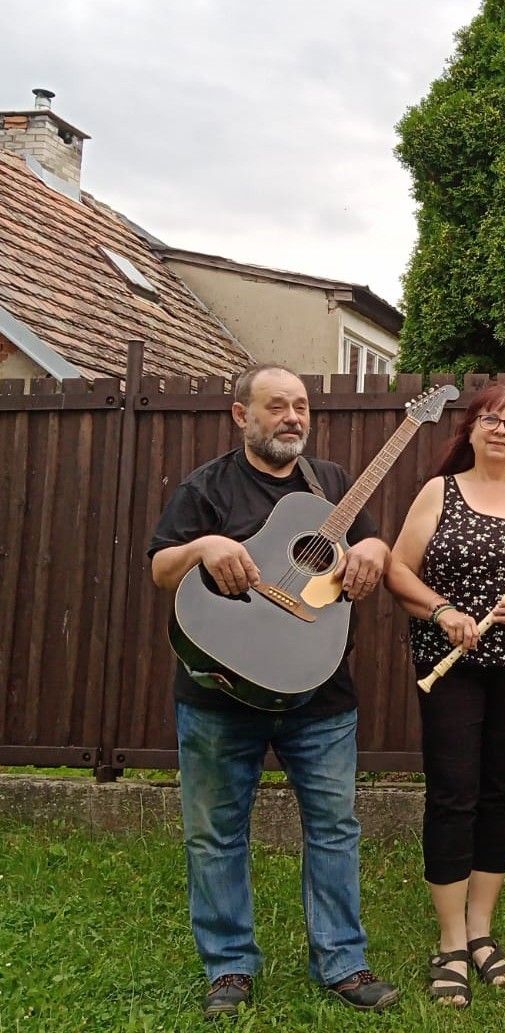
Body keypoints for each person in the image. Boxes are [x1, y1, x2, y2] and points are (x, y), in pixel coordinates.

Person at [148, 363, 399, 1020]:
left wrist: (375, 551)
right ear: (241, 415)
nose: (294, 416)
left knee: (335, 829)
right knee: (215, 834)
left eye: (301, 405)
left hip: (320, 695)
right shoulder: (206, 488)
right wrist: (204, 546)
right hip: (219, 693)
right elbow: (159, 567)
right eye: (278, 405)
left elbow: (371, 540)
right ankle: (229, 966)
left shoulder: (332, 485)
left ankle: (343, 959)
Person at [384, 383, 505, 1007]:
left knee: (499, 795)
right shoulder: (440, 492)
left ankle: (481, 929)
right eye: (490, 418)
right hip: (452, 666)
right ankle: (450, 940)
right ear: (469, 429)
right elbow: (397, 569)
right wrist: (441, 612)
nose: (500, 429)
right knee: (454, 794)